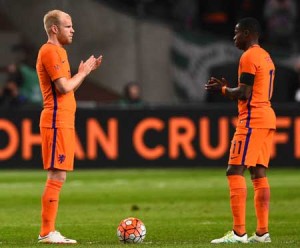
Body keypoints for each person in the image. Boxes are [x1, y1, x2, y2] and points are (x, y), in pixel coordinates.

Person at [205, 17, 276, 243]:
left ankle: (238, 233)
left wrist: (224, 89)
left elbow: (244, 93)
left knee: (234, 170)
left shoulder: (249, 56)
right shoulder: (266, 56)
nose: (234, 38)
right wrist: (230, 88)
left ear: (247, 33)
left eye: (236, 33)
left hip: (252, 119)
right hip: (266, 116)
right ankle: (262, 233)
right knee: (258, 174)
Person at [36, 10, 102, 244]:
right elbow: (63, 88)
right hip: (55, 121)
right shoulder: (50, 51)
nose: (72, 30)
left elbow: (66, 89)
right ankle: (47, 232)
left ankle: (48, 231)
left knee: (58, 175)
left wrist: (84, 73)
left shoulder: (58, 51)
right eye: (68, 26)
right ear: (54, 29)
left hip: (62, 120)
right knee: (56, 175)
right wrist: (82, 73)